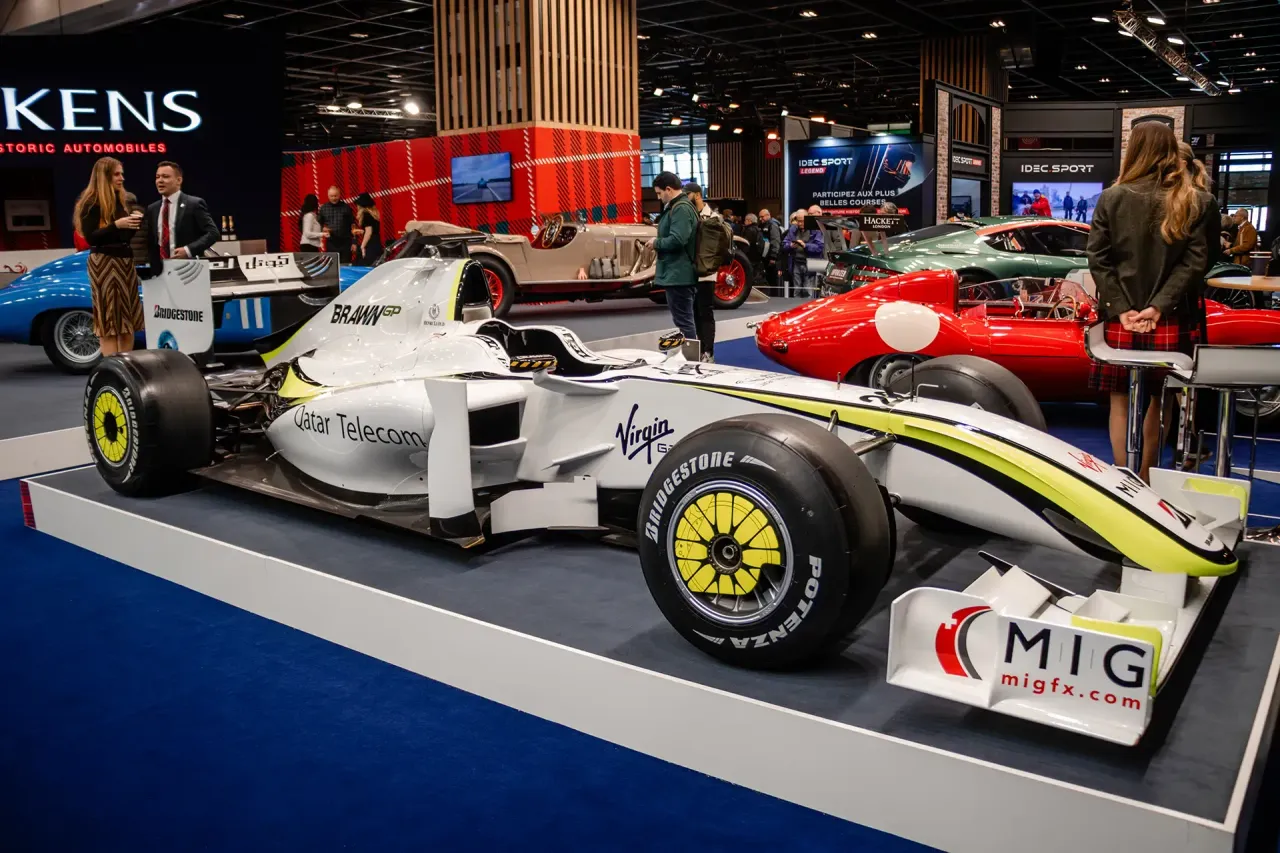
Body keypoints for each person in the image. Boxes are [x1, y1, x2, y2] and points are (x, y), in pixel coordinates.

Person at [1086, 120, 1215, 482]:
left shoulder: (1112, 197)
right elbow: (1197, 263)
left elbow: (1098, 259)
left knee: (1120, 400)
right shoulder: (1199, 200)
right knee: (1161, 398)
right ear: (1171, 150)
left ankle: (1125, 480)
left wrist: (1123, 309)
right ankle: (1146, 477)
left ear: (1134, 150)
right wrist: (1159, 306)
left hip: (1120, 318)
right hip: (1171, 316)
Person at [73, 157, 144, 356]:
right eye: (116, 174)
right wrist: (116, 225)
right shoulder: (90, 203)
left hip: (125, 262)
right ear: (104, 176)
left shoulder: (121, 201)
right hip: (104, 263)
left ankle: (126, 366)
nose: (122, 178)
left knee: (127, 321)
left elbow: (124, 238)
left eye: (122, 174)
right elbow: (91, 238)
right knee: (109, 322)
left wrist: (133, 225)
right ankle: (111, 367)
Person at [142, 160, 220, 278]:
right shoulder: (152, 209)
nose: (160, 181)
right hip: (159, 273)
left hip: (188, 271)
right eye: (157, 177)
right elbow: (151, 243)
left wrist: (188, 250)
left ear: (179, 180)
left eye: (165, 176)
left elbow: (213, 233)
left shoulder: (193, 204)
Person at [648, 172, 699, 348]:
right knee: (684, 320)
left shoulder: (681, 209)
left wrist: (656, 243)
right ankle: (692, 356)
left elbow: (678, 239)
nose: (658, 197)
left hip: (679, 274)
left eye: (659, 193)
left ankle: (692, 359)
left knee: (684, 321)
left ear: (668, 189)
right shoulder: (680, 207)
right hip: (678, 273)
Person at [682, 182, 716, 360]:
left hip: (706, 274)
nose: (685, 198)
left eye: (687, 194)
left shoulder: (712, 218)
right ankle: (698, 350)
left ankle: (708, 352)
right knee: (693, 314)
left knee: (705, 313)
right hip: (689, 273)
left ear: (696, 195)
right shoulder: (688, 215)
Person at [319, 186, 356, 264]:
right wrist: (323, 229)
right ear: (328, 196)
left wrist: (354, 242)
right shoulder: (323, 208)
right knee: (332, 266)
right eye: (331, 196)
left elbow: (353, 225)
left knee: (345, 265)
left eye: (335, 196)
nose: (333, 198)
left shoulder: (346, 207)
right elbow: (318, 225)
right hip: (331, 243)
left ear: (339, 195)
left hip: (345, 243)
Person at [354, 192, 383, 265]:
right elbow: (373, 230)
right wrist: (362, 231)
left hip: (370, 245)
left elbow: (369, 232)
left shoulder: (366, 215)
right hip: (377, 243)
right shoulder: (373, 215)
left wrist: (362, 246)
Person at [758, 208, 782, 291]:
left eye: (762, 217)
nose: (760, 219)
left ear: (768, 215)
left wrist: (773, 257)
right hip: (765, 257)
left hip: (771, 258)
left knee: (772, 280)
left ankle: (774, 297)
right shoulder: (763, 225)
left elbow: (775, 241)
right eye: (759, 217)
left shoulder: (773, 225)